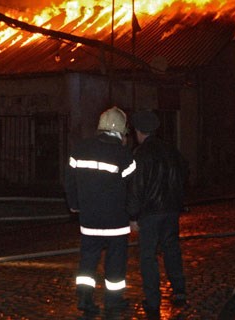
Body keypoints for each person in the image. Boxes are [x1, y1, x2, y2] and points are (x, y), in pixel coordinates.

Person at [65, 106, 136, 318]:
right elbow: (132, 190)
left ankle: (85, 300)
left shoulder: (79, 149)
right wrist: (133, 216)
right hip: (116, 221)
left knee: (88, 260)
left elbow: (69, 181)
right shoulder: (124, 156)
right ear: (121, 131)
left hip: (89, 220)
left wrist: (74, 204)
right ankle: (113, 303)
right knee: (115, 264)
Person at [127, 110, 188, 319]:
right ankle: (179, 290)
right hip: (170, 210)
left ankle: (153, 301)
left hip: (150, 213)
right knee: (172, 249)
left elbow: (136, 186)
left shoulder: (140, 154)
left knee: (148, 256)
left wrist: (133, 216)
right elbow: (183, 176)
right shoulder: (171, 151)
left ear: (138, 131)